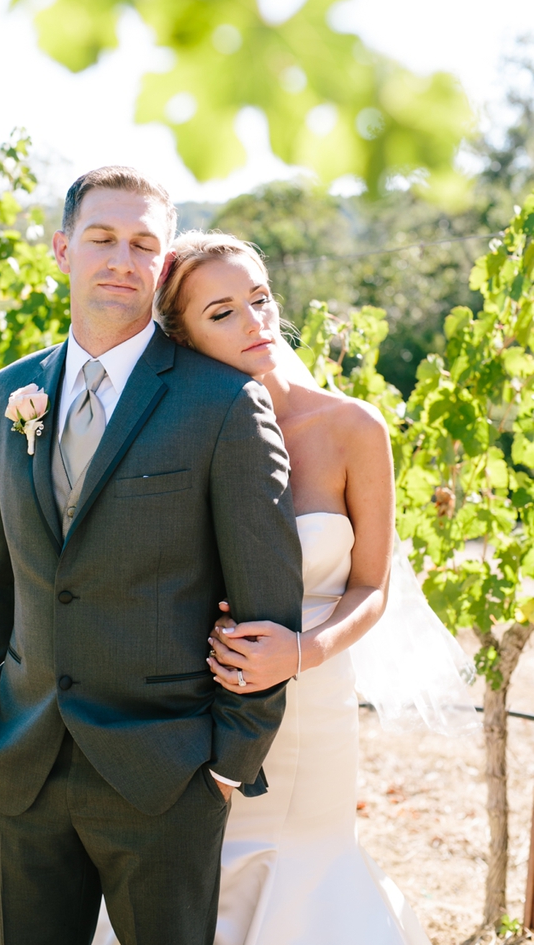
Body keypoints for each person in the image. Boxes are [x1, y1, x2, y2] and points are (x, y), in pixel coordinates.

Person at [0, 173, 304, 945]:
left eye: (143, 243)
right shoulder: (4, 394)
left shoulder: (222, 403)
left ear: (163, 261)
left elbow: (266, 601)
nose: (121, 258)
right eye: (102, 238)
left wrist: (225, 764)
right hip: (16, 760)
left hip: (164, 775)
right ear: (62, 249)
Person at [93, 229, 432, 945]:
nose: (255, 322)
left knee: (305, 875)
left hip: (313, 705)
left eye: (260, 298)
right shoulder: (168, 436)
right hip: (195, 709)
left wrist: (302, 651)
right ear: (181, 337)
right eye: (222, 313)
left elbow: (372, 585)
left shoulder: (350, 426)